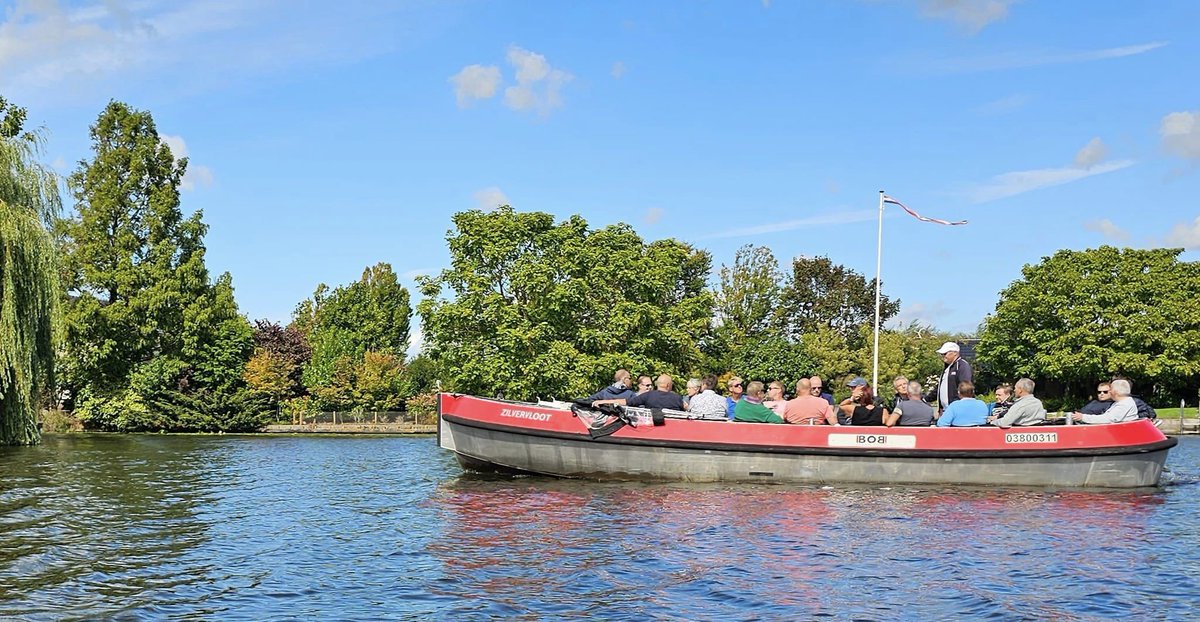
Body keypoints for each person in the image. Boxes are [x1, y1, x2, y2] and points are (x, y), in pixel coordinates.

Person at [593, 374, 684, 410]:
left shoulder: (647, 396)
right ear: (668, 385)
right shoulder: (678, 398)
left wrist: (602, 401)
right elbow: (687, 408)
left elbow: (625, 402)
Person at [928, 342, 972, 413]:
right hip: (946, 411)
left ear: (955, 353)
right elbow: (939, 388)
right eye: (942, 354)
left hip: (957, 410)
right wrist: (925, 399)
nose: (943, 356)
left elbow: (966, 388)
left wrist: (956, 406)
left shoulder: (962, 366)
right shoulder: (947, 368)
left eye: (945, 354)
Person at [1073, 378, 1139, 424]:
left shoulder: (1124, 404)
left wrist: (1083, 417)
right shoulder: (1120, 403)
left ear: (1116, 391)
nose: (1109, 392)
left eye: (1111, 389)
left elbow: (1108, 419)